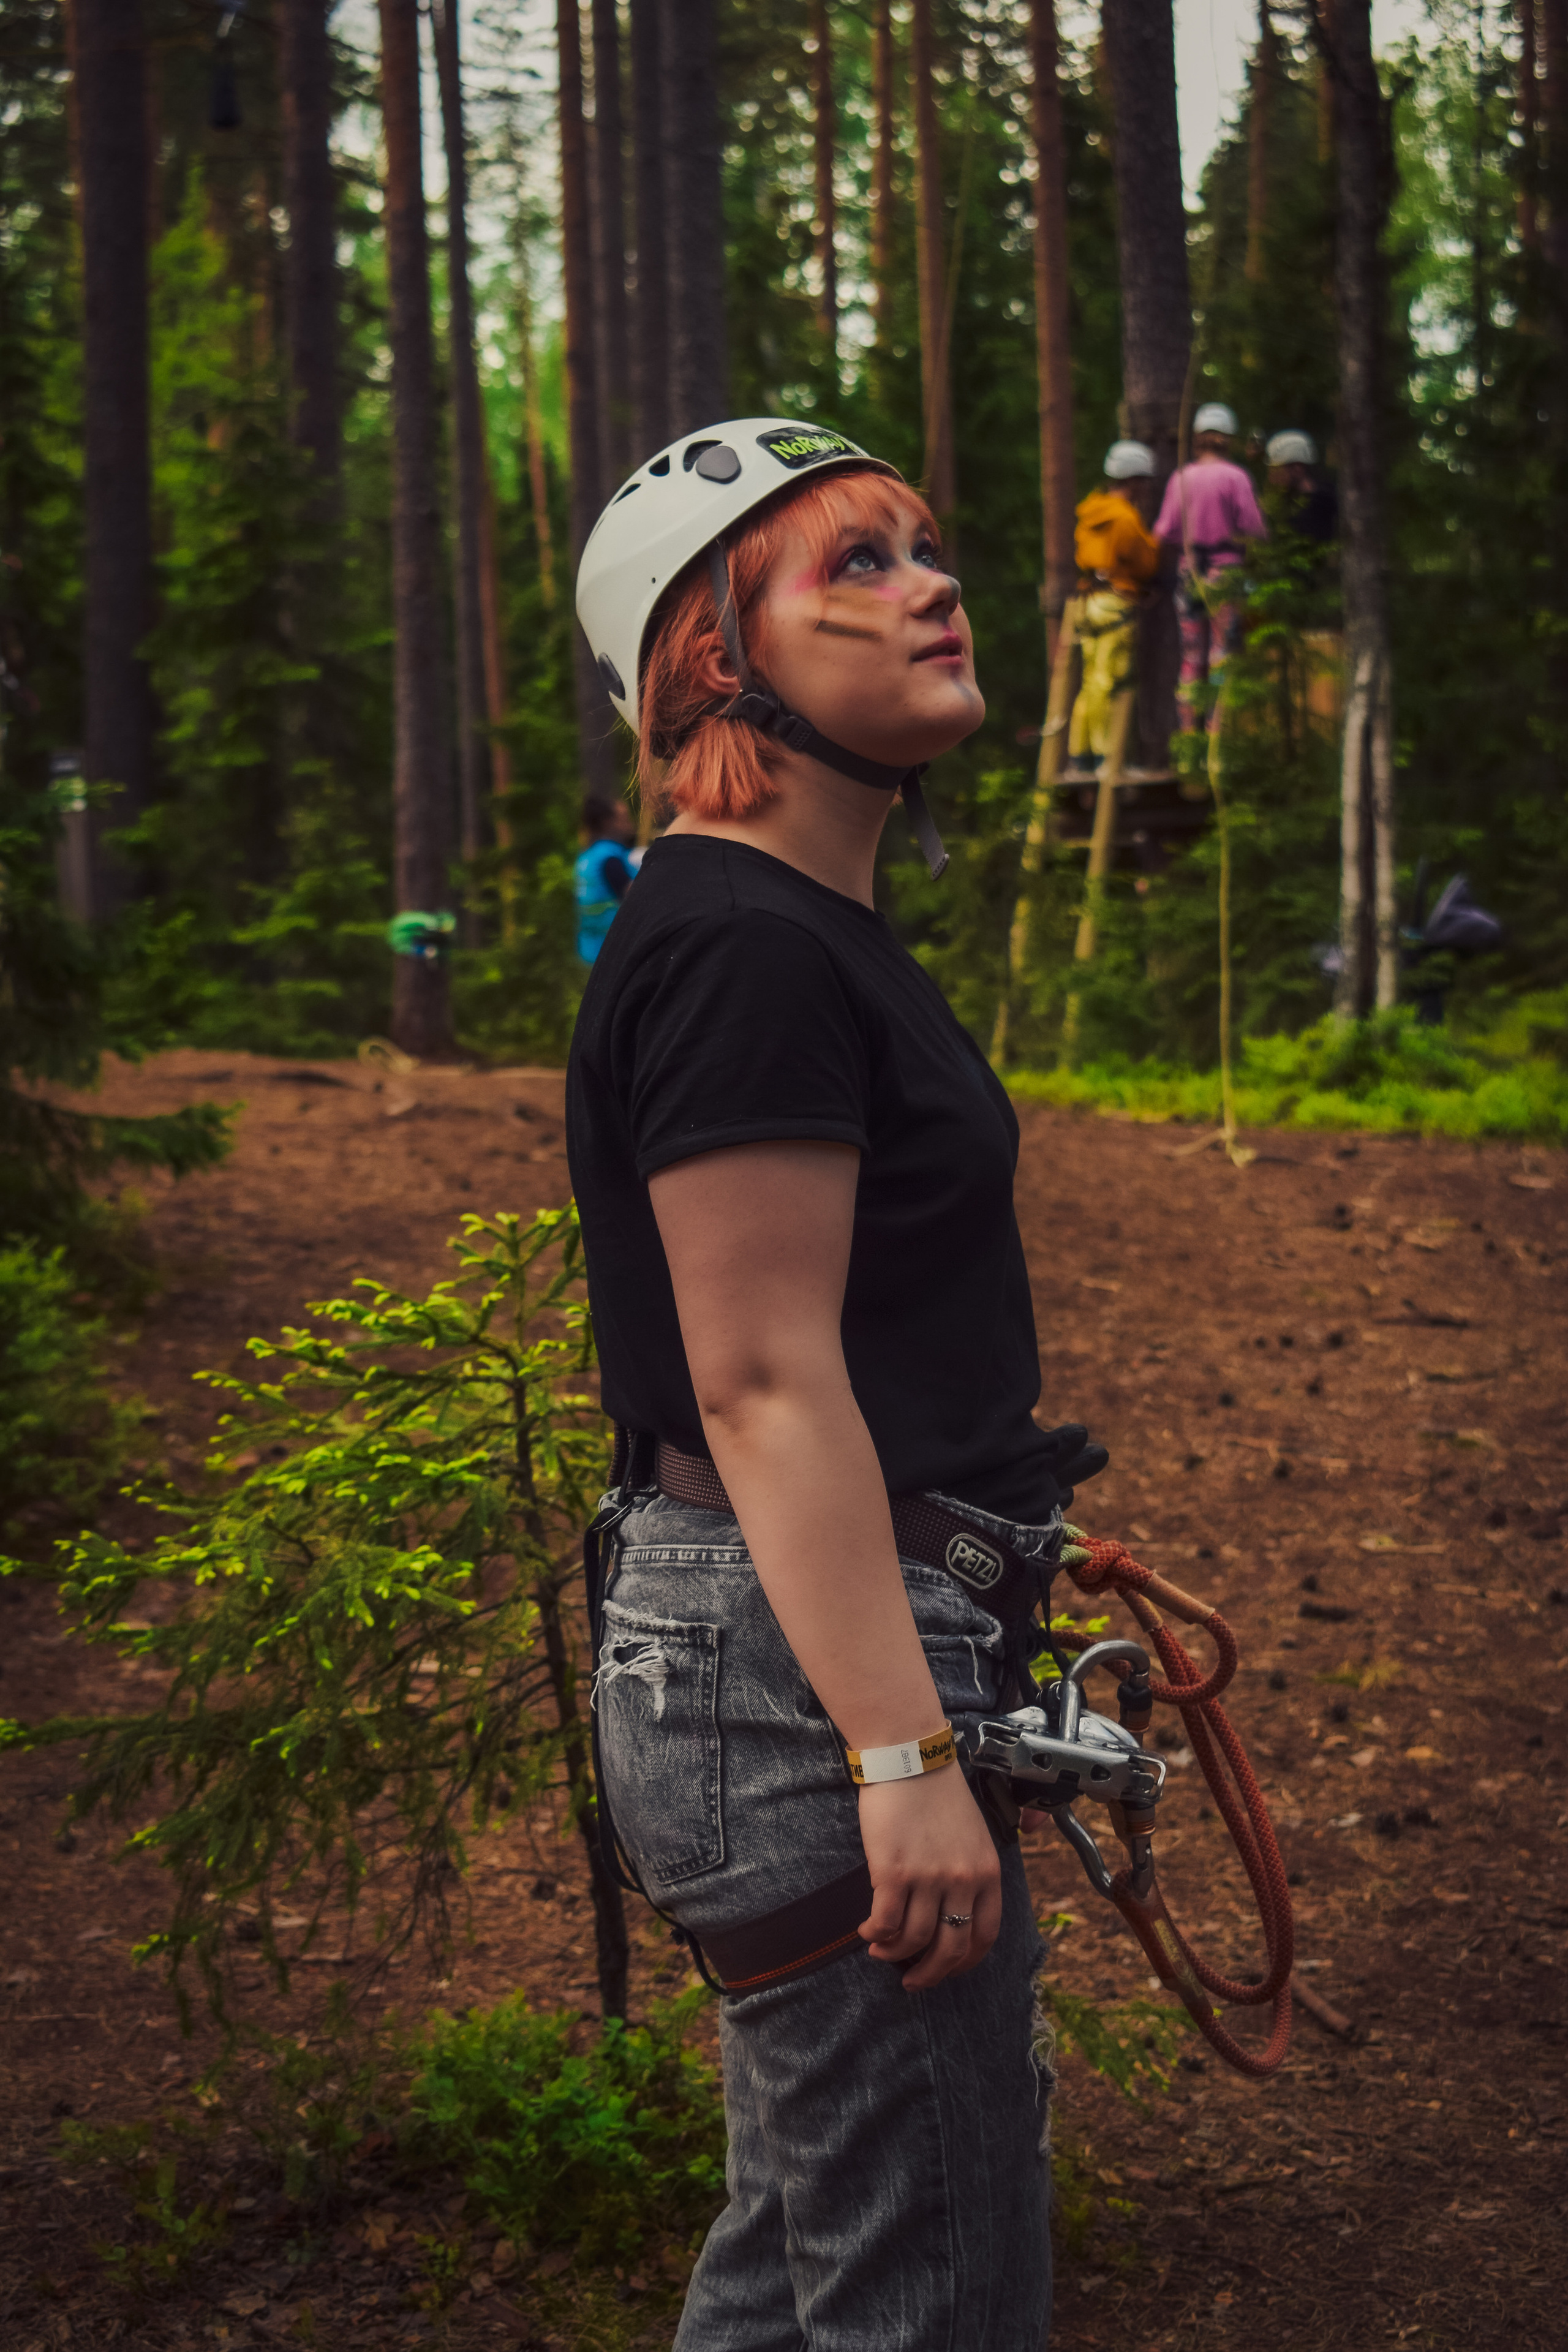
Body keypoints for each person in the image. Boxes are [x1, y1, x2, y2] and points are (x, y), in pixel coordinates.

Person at [568, 417, 1107, 2351]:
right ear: (714, 662)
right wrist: (898, 1753)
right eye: (851, 567)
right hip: (808, 1681)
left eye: (923, 548)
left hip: (798, 1642)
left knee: (806, 2277)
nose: (930, 585)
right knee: (927, 2296)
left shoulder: (787, 928)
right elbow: (763, 1376)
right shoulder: (740, 949)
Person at [1155, 400, 1267, 731]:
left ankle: (1190, 735)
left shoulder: (1182, 478)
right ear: (1227, 438)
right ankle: (1220, 735)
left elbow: (1164, 532)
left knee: (1192, 657)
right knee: (1223, 654)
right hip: (1226, 575)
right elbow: (1256, 530)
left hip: (1190, 575)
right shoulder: (1236, 477)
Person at [1065, 439, 1161, 776]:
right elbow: (1146, 562)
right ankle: (1109, 761)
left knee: (1092, 682)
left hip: (1090, 602)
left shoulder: (1090, 512)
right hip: (1118, 604)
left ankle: (1082, 757)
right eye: (1145, 481)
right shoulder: (1125, 518)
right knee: (1112, 681)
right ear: (1133, 481)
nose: (1147, 488)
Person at [574, 793, 637, 964]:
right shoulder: (610, 858)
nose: (630, 822)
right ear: (608, 823)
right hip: (613, 948)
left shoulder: (587, 857)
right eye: (623, 818)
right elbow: (635, 896)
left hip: (590, 946)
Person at [1265, 429, 1338, 546]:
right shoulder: (1283, 502)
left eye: (1277, 469)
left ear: (1297, 468)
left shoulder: (1323, 503)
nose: (1271, 476)